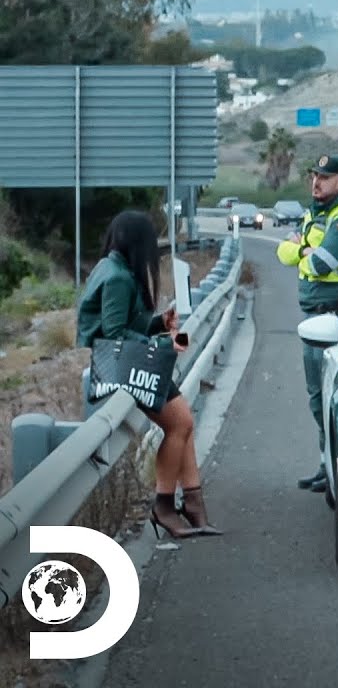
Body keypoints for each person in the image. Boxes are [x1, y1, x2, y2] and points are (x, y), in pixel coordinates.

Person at [77, 210, 222, 539]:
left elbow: (124, 324)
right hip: (127, 364)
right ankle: (165, 506)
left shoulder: (112, 267)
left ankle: (194, 504)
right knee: (181, 423)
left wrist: (159, 324)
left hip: (132, 358)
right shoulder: (117, 277)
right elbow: (114, 334)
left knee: (183, 423)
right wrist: (159, 342)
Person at [276, 154, 338, 493]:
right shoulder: (316, 216)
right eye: (314, 175)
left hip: (337, 320)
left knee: (335, 401)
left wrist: (299, 250)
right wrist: (302, 249)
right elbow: (281, 253)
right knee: (317, 398)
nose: (316, 182)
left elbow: (320, 264)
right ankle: (325, 465)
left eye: (325, 177)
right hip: (316, 319)